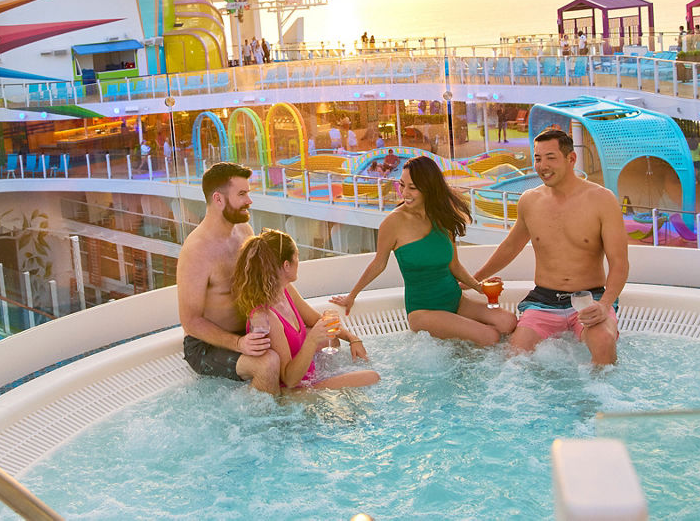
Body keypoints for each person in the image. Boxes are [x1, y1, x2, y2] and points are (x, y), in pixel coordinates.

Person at [473, 128, 629, 365]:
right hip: (544, 301)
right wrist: (473, 280)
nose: (542, 165)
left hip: (589, 298)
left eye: (551, 157)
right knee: (514, 359)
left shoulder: (602, 200)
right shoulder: (529, 201)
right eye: (537, 158)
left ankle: (598, 400)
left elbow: (619, 263)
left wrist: (604, 304)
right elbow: (510, 247)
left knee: (604, 344)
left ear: (571, 159)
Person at [331, 156, 516, 345]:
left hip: (455, 300)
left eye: (413, 188)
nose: (404, 193)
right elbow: (378, 264)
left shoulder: (442, 216)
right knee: (490, 336)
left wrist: (480, 287)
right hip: (424, 311)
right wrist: (351, 296)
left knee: (508, 321)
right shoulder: (393, 223)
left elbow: (455, 266)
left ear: (429, 188)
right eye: (402, 185)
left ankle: (462, 343)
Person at [176, 162, 280, 392]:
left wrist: (260, 313)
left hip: (246, 331)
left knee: (306, 338)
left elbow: (255, 282)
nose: (249, 201)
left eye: (248, 193)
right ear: (218, 199)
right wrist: (239, 344)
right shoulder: (196, 252)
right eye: (242, 194)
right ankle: (271, 427)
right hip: (206, 346)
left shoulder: (244, 231)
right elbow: (190, 321)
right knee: (268, 364)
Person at [233, 229, 379, 390]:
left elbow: (317, 320)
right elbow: (288, 380)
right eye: (297, 257)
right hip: (294, 391)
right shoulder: (267, 317)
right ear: (286, 265)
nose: (298, 262)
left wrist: (352, 339)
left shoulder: (285, 290)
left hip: (309, 377)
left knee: (334, 340)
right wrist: (311, 340)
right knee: (371, 377)